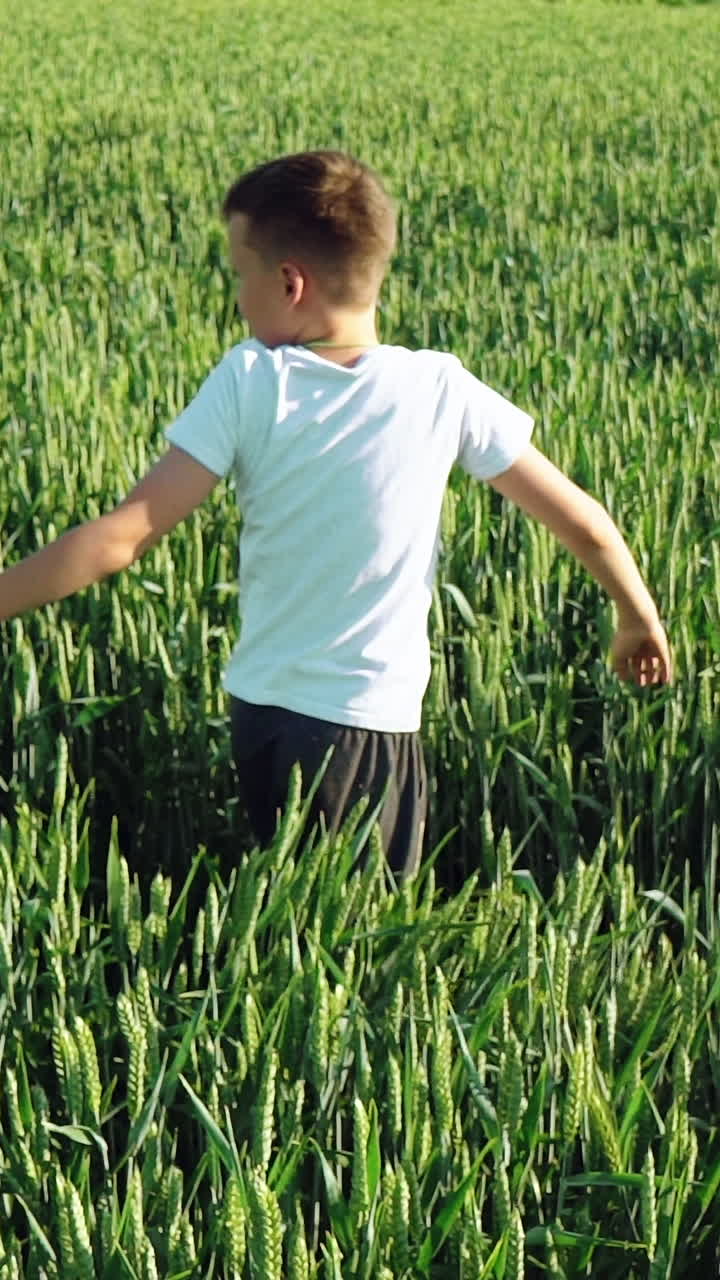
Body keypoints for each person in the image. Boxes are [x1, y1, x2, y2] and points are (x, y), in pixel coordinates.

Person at [0, 150, 672, 882]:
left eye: (238, 274)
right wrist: (637, 616)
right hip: (366, 721)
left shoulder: (251, 381)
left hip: (261, 713)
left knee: (292, 908)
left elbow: (120, 538)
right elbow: (586, 523)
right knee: (351, 942)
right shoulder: (438, 388)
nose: (236, 296)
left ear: (289, 283)